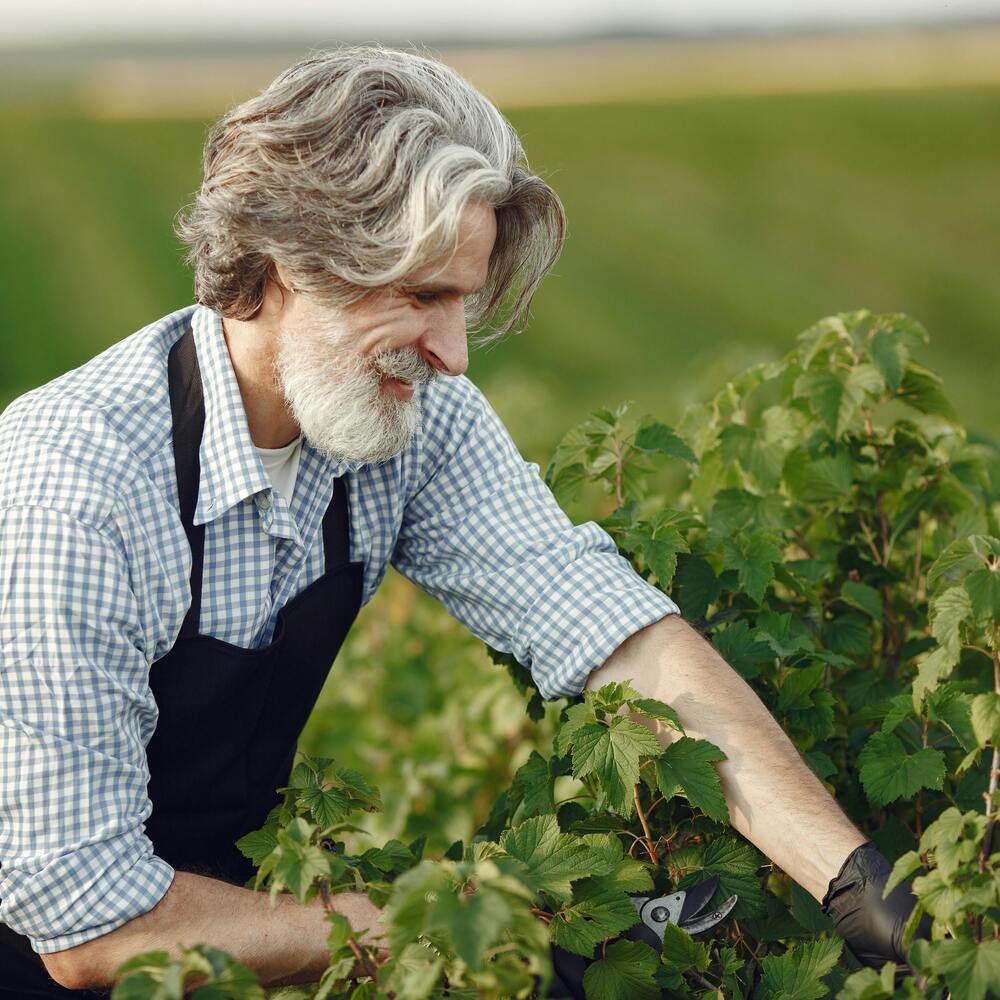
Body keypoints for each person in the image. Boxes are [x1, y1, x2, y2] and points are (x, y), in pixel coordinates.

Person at [0, 45, 922, 997]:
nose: (452, 354)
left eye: (466, 300)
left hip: (219, 950)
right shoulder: (77, 487)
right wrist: (463, 926)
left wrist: (853, 882)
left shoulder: (405, 422)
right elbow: (85, 926)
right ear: (289, 261)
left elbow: (618, 640)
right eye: (423, 296)